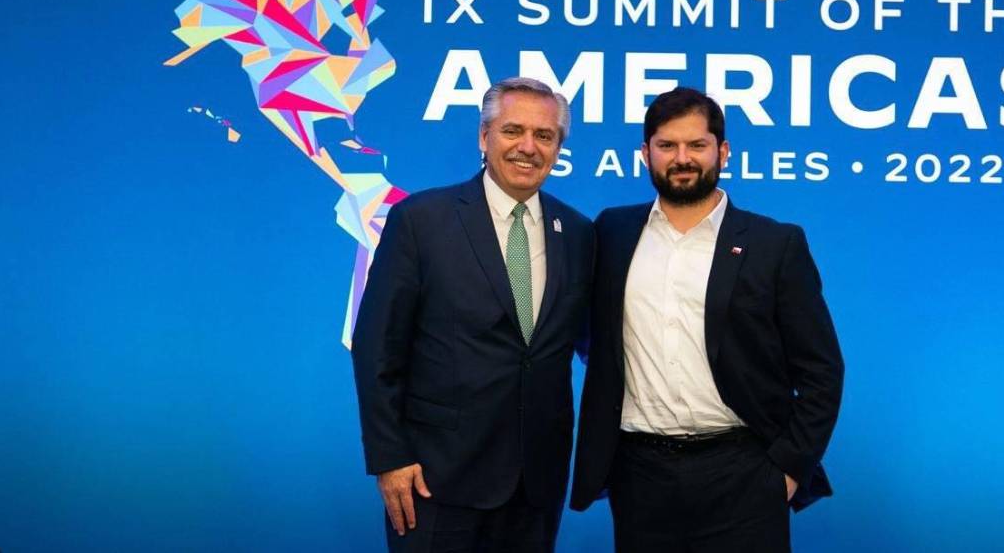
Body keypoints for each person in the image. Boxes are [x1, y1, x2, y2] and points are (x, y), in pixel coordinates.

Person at [571, 87, 844, 552]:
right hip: (639, 476)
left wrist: (787, 469)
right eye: (667, 145)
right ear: (645, 154)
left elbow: (822, 370)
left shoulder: (774, 244)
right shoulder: (611, 232)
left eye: (697, 145)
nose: (682, 158)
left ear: (723, 151)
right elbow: (590, 338)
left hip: (744, 472)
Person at [351, 77, 594, 552]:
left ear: (558, 147)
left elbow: (589, 346)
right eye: (513, 131)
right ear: (484, 137)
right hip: (433, 479)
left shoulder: (579, 232)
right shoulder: (421, 220)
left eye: (544, 135)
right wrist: (389, 457)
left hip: (535, 486)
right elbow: (376, 345)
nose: (528, 147)